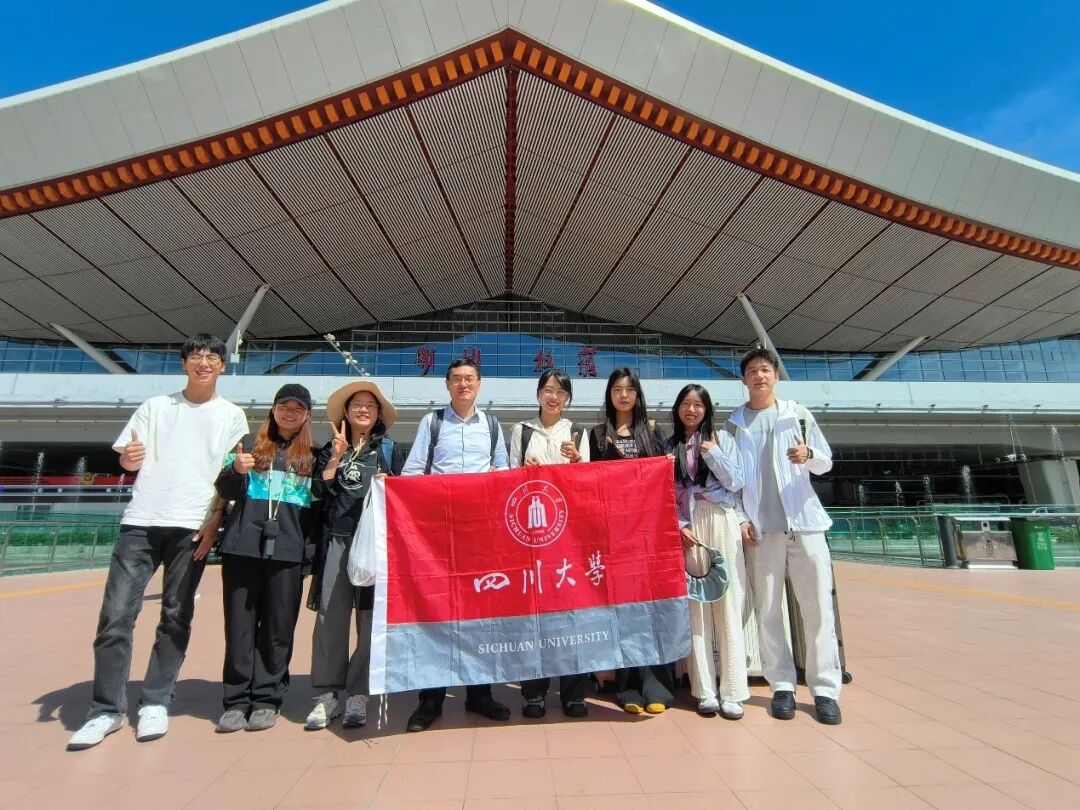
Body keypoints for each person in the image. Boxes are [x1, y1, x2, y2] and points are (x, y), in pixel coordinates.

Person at [67, 335, 247, 751]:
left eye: (213, 357)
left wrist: (214, 520)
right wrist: (128, 460)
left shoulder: (231, 416)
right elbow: (129, 458)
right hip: (142, 522)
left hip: (191, 526)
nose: (205, 363)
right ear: (184, 363)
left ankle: (156, 700)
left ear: (223, 366)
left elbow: (227, 476)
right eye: (197, 357)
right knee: (115, 616)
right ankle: (106, 710)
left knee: (176, 615)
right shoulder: (155, 407)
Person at [726, 348, 843, 725]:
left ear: (775, 376)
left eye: (764, 370)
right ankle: (782, 686)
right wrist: (743, 518)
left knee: (818, 608)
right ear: (743, 380)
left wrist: (808, 454)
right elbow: (731, 482)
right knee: (769, 609)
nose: (759, 376)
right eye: (752, 371)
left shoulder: (797, 414)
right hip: (763, 531)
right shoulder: (733, 424)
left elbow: (825, 462)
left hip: (804, 525)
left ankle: (824, 688)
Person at [400, 358, 512, 731]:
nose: (464, 385)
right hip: (439, 537)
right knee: (436, 615)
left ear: (480, 385)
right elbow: (413, 473)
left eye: (470, 379)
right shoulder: (432, 423)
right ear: (447, 385)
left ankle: (480, 695)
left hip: (480, 535)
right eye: (457, 380)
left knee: (481, 616)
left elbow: (502, 475)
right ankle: (430, 700)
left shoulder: (493, 425)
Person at [213, 384, 319, 733]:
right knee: (240, 627)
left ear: (306, 416)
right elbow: (225, 491)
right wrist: (236, 471)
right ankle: (236, 700)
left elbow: (316, 513)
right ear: (272, 410)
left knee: (278, 628)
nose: (290, 412)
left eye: (298, 408)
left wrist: (309, 554)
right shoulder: (249, 448)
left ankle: (266, 699)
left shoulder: (312, 458)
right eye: (283, 406)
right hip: (243, 547)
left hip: (287, 553)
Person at [304, 381, 405, 731]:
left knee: (369, 621)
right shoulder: (331, 449)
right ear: (346, 412)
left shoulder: (389, 450)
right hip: (338, 541)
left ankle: (358, 694)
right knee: (330, 618)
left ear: (378, 415)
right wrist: (334, 457)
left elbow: (403, 496)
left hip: (374, 547)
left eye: (370, 405)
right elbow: (319, 493)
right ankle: (327, 694)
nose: (363, 409)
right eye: (357, 404)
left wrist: (387, 481)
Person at [587, 366, 673, 715]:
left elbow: (665, 480)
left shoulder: (653, 432)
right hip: (614, 536)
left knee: (651, 608)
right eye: (617, 388)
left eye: (630, 389)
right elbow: (590, 484)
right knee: (622, 610)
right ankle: (627, 687)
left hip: (648, 533)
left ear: (638, 395)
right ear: (609, 394)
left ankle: (657, 685)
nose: (623, 394)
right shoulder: (596, 434)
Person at [508, 369, 591, 719]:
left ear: (568, 398)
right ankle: (534, 693)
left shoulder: (578, 432)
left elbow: (588, 484)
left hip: (570, 538)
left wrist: (576, 461)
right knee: (535, 617)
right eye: (547, 390)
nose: (553, 397)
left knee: (574, 615)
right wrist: (522, 470)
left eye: (560, 391)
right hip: (532, 538)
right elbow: (507, 478)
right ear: (538, 394)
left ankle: (574, 693)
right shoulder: (522, 430)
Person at [666, 384, 749, 719]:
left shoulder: (723, 438)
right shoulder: (671, 445)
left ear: (707, 409)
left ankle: (733, 690)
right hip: (689, 524)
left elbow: (736, 480)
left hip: (721, 519)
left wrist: (712, 453)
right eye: (685, 404)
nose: (691, 410)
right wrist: (679, 523)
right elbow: (668, 489)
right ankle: (703, 689)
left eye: (698, 405)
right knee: (696, 605)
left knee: (727, 601)